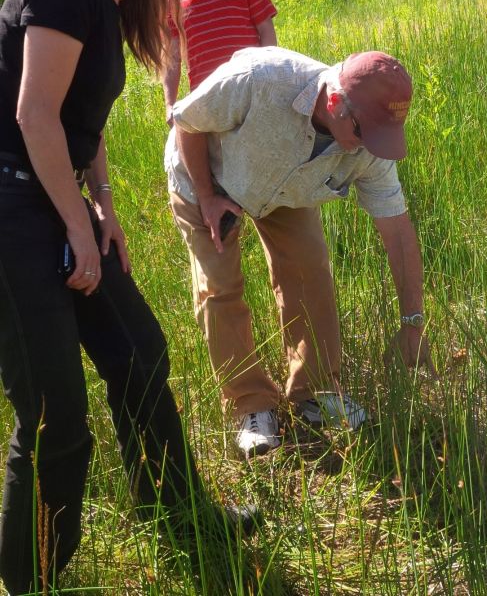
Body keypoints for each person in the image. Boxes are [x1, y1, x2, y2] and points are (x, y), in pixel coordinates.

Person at [0, 0, 256, 596]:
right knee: (54, 414)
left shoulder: (112, 7)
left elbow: (83, 122)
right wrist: (78, 226)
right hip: (12, 208)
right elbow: (33, 115)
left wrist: (103, 207)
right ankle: (33, 580)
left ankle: (176, 512)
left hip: (58, 195)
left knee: (139, 351)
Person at [165, 46, 437, 459]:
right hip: (205, 174)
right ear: (333, 103)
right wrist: (206, 196)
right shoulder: (259, 80)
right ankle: (251, 406)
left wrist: (412, 324)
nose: (370, 148)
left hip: (286, 190)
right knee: (220, 286)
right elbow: (187, 121)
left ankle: (314, 391)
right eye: (366, 133)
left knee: (310, 271)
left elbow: (397, 233)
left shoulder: (369, 147)